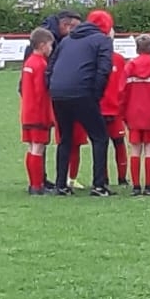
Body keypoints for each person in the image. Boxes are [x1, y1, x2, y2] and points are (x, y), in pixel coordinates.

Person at [46, 10, 113, 196]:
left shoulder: (67, 40)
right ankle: (99, 185)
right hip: (83, 92)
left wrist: (52, 87)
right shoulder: (103, 40)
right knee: (99, 137)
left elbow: (51, 66)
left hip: (58, 93)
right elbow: (104, 69)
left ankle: (61, 184)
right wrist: (95, 95)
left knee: (65, 138)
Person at [88, 10, 128, 185]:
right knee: (118, 143)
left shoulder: (89, 58)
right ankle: (121, 178)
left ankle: (103, 178)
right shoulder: (118, 59)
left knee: (101, 145)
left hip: (97, 108)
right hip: (113, 109)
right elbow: (123, 87)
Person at [121, 33, 150, 195]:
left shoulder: (130, 66)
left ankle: (136, 186)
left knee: (135, 149)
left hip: (133, 113)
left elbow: (122, 92)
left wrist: (123, 113)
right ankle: (149, 186)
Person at [20, 26, 56, 194]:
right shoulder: (41, 64)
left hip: (27, 111)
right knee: (38, 148)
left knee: (31, 147)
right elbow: (41, 92)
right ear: (42, 45)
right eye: (50, 45)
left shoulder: (29, 62)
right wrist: (49, 115)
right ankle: (37, 186)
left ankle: (33, 184)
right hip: (38, 113)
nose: (51, 48)